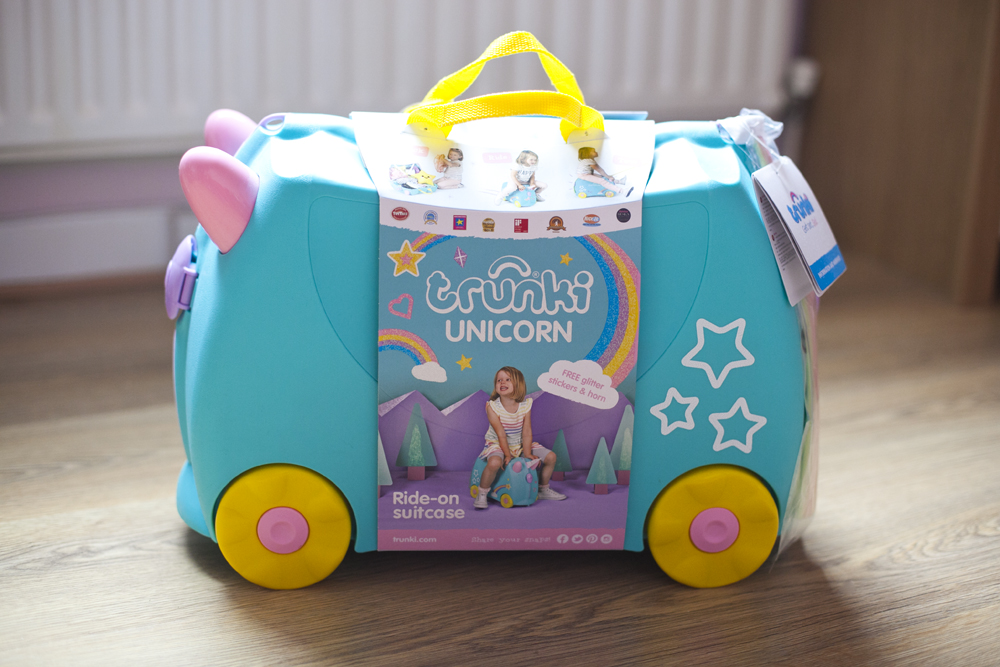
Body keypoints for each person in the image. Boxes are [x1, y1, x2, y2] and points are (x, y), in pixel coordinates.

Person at [475, 366, 567, 509]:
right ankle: (482, 492)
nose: (502, 382)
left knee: (551, 457)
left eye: (508, 379)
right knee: (494, 463)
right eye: (499, 380)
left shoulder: (525, 405)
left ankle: (543, 489)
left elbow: (527, 431)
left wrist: (528, 452)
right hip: (498, 444)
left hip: (519, 444)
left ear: (518, 384)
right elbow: (501, 434)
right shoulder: (492, 407)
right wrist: (507, 455)